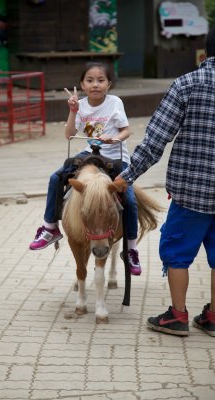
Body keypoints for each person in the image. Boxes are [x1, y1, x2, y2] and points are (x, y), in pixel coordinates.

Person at [116, 27, 215, 336]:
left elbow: (156, 141)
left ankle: (177, 316)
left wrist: (126, 177)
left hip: (191, 194)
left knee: (176, 253)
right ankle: (213, 317)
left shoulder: (186, 85)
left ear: (204, 52)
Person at [29, 61, 142, 275]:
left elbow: (126, 130)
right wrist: (73, 110)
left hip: (116, 156)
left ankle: (131, 249)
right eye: (90, 80)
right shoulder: (80, 104)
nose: (95, 85)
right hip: (90, 155)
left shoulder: (115, 102)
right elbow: (69, 134)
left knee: (130, 199)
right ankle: (50, 227)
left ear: (109, 84)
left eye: (101, 80)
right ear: (82, 84)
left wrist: (114, 138)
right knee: (55, 178)